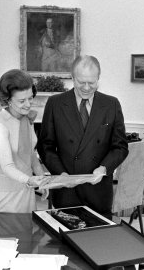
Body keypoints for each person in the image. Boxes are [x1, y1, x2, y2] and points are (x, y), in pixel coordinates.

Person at [37, 55, 129, 218]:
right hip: (66, 191)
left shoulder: (111, 104)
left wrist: (104, 168)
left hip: (99, 191)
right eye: (81, 82)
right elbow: (46, 147)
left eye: (91, 83)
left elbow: (120, 147)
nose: (86, 87)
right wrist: (61, 174)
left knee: (98, 240)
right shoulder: (55, 103)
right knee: (64, 240)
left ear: (98, 78)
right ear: (72, 78)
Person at [0, 69, 51, 213]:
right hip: (7, 194)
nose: (28, 105)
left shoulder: (26, 118)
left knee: (26, 233)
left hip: (26, 191)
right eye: (22, 101)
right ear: (8, 100)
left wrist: (42, 179)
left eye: (30, 98)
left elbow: (30, 155)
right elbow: (7, 166)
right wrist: (30, 180)